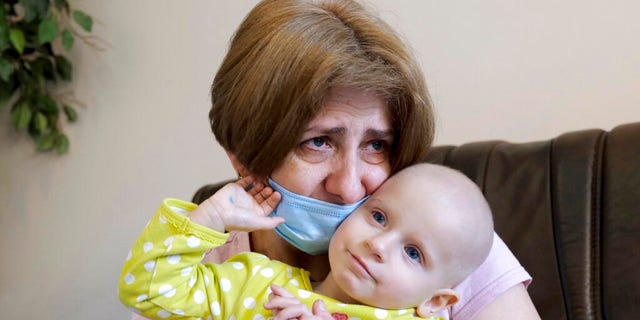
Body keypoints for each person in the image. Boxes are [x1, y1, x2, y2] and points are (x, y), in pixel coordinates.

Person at [132, 0, 538, 319]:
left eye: (377, 145)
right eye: (319, 142)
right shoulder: (202, 271)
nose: (348, 186)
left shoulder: (445, 240)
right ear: (242, 157)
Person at [119, 163, 495, 319]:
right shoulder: (258, 284)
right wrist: (208, 219)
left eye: (412, 253)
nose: (378, 245)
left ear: (435, 301)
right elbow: (149, 292)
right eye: (378, 217)